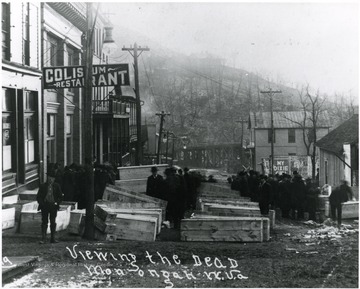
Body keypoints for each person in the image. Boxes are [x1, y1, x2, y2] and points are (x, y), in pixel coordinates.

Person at [37, 167, 63, 244]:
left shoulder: (57, 186)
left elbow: (60, 196)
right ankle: (43, 238)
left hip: (53, 206)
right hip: (45, 206)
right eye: (49, 177)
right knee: (44, 222)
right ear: (47, 178)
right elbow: (39, 197)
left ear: (54, 179)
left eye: (52, 178)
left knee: (53, 222)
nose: (50, 179)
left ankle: (53, 238)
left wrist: (56, 203)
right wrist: (42, 203)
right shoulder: (43, 186)